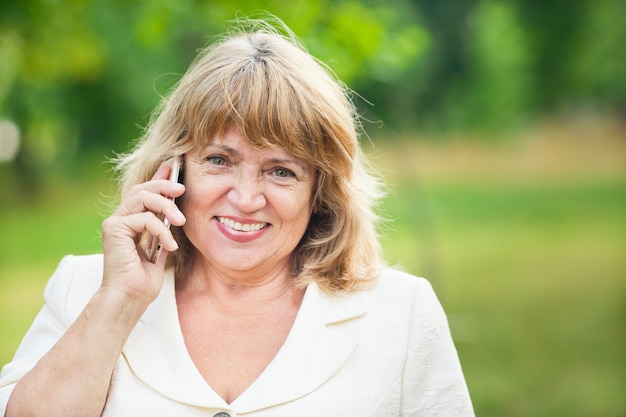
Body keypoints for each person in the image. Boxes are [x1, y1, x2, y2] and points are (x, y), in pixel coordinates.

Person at [0, 17, 474, 416]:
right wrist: (118, 303)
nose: (246, 198)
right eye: (220, 160)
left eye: (281, 171)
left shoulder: (402, 312)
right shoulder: (84, 290)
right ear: (173, 168)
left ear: (321, 192)